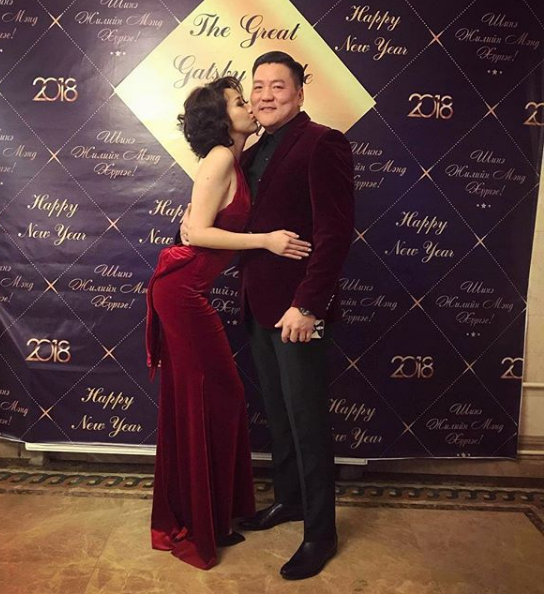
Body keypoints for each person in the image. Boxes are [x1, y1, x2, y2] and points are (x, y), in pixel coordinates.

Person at [181, 52, 354, 580]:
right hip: (257, 305)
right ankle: (290, 500)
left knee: (307, 421)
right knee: (279, 414)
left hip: (298, 309)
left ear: (299, 93)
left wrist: (308, 305)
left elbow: (334, 234)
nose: (265, 95)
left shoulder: (323, 142)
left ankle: (320, 533)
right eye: (257, 86)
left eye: (278, 86)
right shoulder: (250, 151)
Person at [146, 76, 312, 571]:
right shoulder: (220, 157)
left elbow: (196, 225)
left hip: (188, 290)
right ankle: (197, 521)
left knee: (213, 399)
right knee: (210, 398)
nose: (251, 105)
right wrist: (266, 240)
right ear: (222, 119)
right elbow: (197, 232)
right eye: (241, 102)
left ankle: (210, 515)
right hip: (181, 292)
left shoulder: (238, 159)